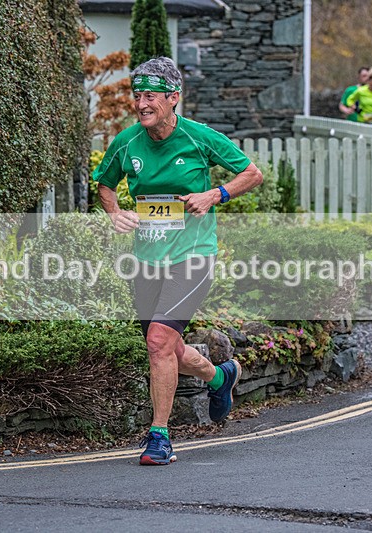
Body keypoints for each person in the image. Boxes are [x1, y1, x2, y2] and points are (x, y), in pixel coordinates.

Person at [92, 57, 263, 466]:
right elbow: (104, 184)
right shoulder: (127, 142)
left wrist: (214, 195)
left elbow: (252, 173)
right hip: (148, 258)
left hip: (192, 256)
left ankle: (159, 436)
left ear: (173, 98)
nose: (142, 103)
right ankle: (221, 377)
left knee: (157, 342)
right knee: (168, 346)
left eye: (151, 95)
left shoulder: (199, 137)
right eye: (138, 95)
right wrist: (115, 212)